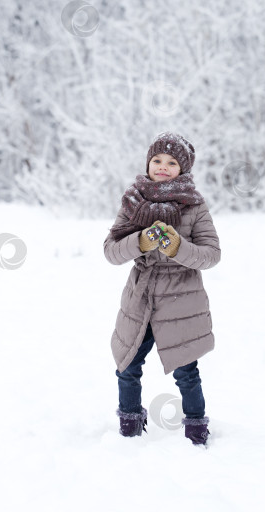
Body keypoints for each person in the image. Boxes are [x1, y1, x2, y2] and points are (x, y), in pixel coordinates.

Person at [103, 131, 221, 446]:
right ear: (148, 162)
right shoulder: (133, 201)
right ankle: (129, 429)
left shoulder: (194, 206)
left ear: (183, 169)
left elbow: (211, 255)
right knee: (127, 365)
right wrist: (141, 242)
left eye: (171, 162)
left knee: (187, 373)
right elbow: (111, 251)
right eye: (157, 160)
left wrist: (177, 248)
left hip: (181, 300)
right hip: (140, 297)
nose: (163, 166)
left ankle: (197, 432)